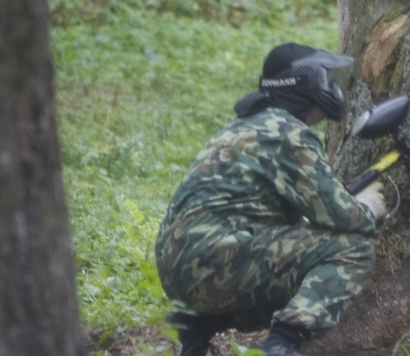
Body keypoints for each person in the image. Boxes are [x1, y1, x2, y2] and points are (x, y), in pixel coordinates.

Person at [154, 43, 387, 356]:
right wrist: (368, 208)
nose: (332, 87)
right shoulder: (288, 132)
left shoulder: (244, 126)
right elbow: (341, 216)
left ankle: (198, 325)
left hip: (177, 266)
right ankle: (283, 343)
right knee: (352, 250)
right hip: (217, 259)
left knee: (295, 266)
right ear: (306, 82)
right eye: (326, 78)